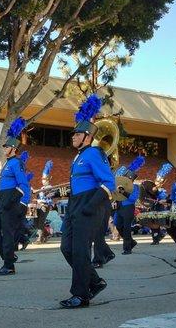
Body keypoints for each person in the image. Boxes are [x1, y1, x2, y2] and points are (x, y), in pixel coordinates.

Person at [60, 94, 115, 308]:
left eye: (77, 134)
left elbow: (108, 182)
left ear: (87, 136)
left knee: (81, 251)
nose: (73, 136)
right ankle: (95, 281)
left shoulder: (94, 152)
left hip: (89, 206)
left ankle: (81, 295)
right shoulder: (78, 157)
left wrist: (89, 206)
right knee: (67, 248)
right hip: (75, 205)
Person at [0, 118, 29, 275]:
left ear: (13, 148)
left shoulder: (16, 163)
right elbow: (5, 185)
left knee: (8, 234)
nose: (4, 147)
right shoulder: (6, 164)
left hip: (9, 203)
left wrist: (14, 201)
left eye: (6, 146)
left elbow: (22, 185)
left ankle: (9, 266)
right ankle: (8, 256)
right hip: (1, 200)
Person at [115, 156, 145, 255]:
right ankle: (132, 242)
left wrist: (124, 192)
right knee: (118, 225)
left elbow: (133, 198)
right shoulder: (119, 185)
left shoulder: (135, 187)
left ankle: (127, 248)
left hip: (128, 208)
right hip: (119, 207)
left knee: (127, 228)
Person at [34, 160, 55, 244]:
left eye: (44, 179)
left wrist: (39, 199)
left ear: (48, 179)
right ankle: (46, 234)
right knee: (36, 222)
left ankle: (39, 239)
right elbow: (40, 197)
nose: (42, 181)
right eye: (42, 179)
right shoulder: (42, 188)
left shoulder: (49, 187)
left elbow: (48, 198)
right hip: (39, 206)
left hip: (45, 206)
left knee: (40, 222)